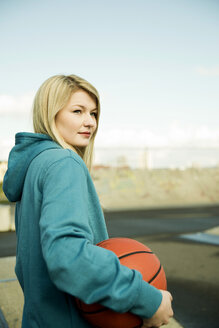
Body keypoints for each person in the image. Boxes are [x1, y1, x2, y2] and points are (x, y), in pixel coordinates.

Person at [3, 74, 173, 328]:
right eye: (77, 111)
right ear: (51, 113)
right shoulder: (64, 163)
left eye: (93, 114)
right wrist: (147, 299)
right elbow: (68, 256)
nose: (89, 122)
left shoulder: (35, 165)